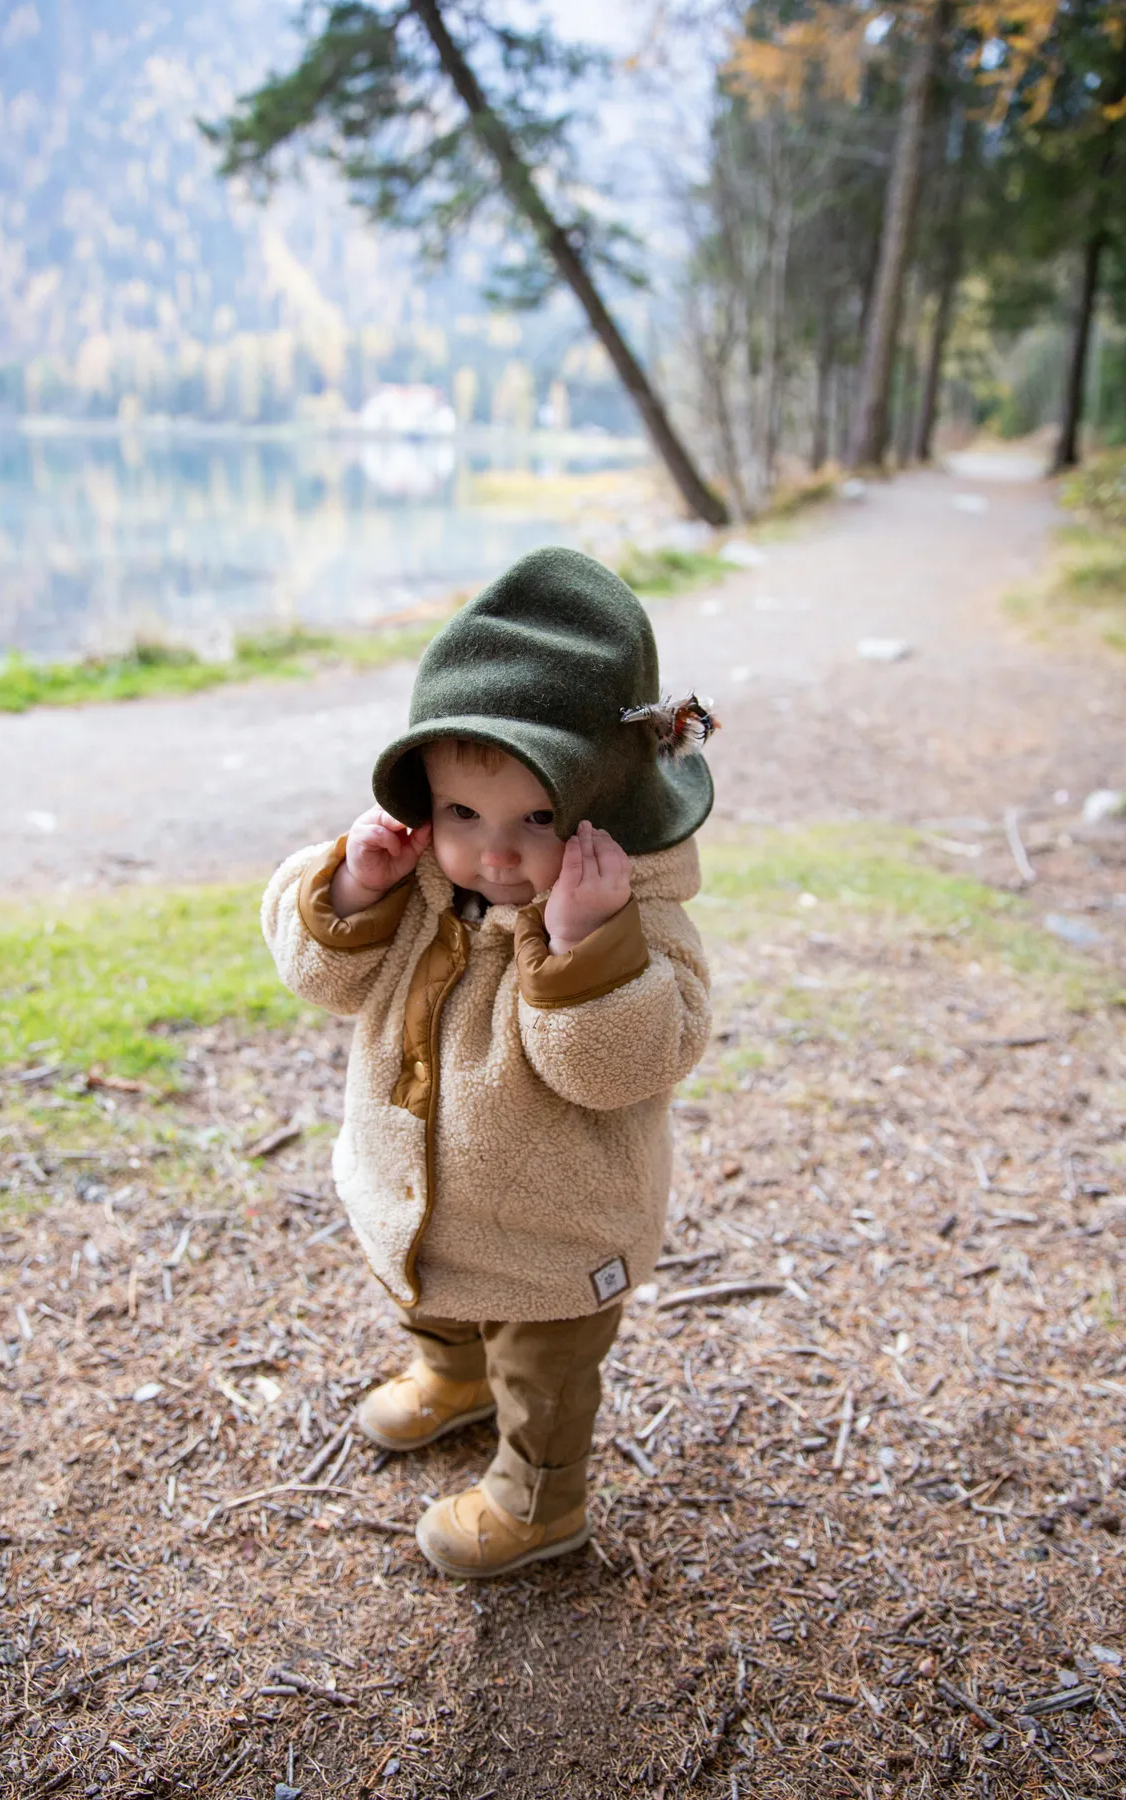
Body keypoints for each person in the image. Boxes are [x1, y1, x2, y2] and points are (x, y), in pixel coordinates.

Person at [261, 546, 714, 1578]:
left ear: (607, 810)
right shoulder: (414, 877)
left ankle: (539, 1500)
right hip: (419, 1197)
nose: (493, 853)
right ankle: (448, 1376)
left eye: (537, 820)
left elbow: (626, 1064)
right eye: (463, 815)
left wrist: (585, 945)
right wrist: (354, 892)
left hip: (558, 1231)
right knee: (434, 1299)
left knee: (543, 1372)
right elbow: (322, 980)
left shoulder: (637, 915)